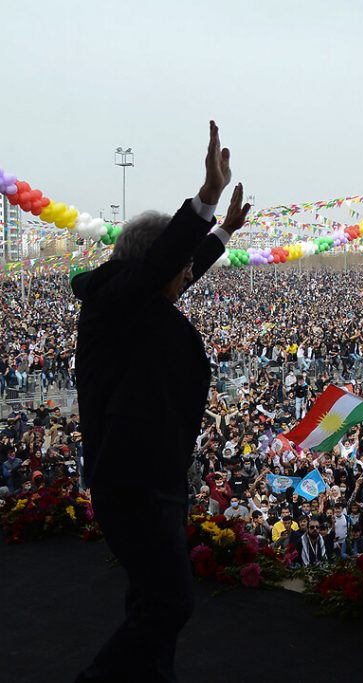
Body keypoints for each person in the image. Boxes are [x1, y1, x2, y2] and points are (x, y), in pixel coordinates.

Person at [73, 121, 251, 683]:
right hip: (134, 481)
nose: (184, 276)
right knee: (171, 603)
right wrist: (205, 197)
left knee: (150, 601)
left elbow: (178, 271)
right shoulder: (116, 303)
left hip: (152, 477)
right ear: (152, 268)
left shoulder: (131, 302)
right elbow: (164, 269)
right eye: (176, 266)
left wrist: (221, 233)